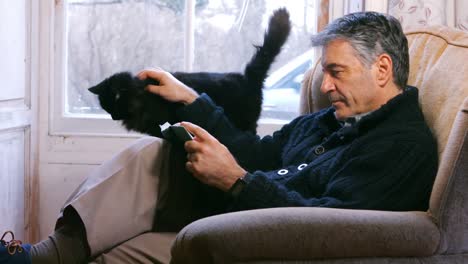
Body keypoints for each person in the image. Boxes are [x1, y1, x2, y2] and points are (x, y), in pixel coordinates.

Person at [1, 11, 438, 264]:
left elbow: (330, 226)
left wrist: (235, 181)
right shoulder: (330, 119)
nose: (324, 86)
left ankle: (38, 258)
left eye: (336, 72)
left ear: (382, 69)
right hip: (231, 220)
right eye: (326, 72)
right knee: (141, 187)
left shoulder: (403, 147)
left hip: (263, 244)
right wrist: (191, 99)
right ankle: (43, 257)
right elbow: (257, 152)